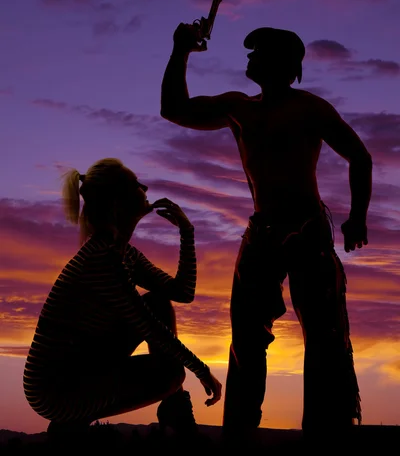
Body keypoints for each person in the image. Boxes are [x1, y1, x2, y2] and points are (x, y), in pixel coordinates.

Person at [160, 24, 372, 445]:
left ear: (282, 63)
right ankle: (238, 435)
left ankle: (325, 434)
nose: (249, 59)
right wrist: (180, 50)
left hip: (308, 232)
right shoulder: (240, 108)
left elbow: (359, 156)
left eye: (257, 54)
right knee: (245, 341)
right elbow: (175, 109)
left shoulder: (310, 108)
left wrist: (358, 217)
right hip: (261, 234)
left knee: (326, 337)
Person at [23, 157, 222, 443]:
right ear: (118, 202)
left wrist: (186, 233)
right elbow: (148, 326)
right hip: (56, 388)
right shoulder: (103, 258)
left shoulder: (124, 253)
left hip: (84, 364)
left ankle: (174, 408)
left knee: (158, 302)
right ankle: (72, 422)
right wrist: (202, 371)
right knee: (171, 374)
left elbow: (182, 293)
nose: (145, 187)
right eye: (136, 185)